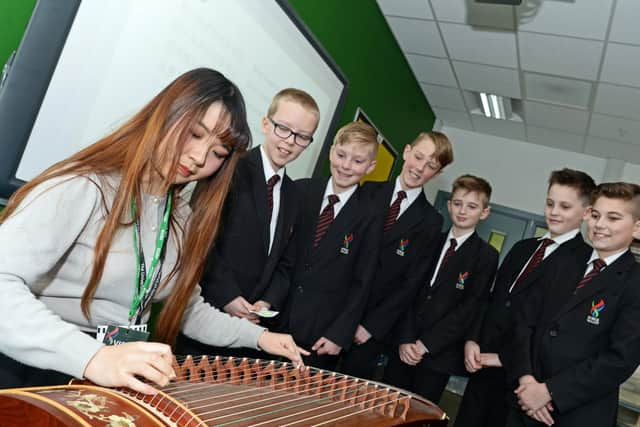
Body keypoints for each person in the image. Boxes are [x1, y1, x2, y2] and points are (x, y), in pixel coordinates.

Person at [0, 68, 307, 395]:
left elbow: (188, 309)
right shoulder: (83, 187)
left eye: (218, 153)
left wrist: (260, 337)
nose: (200, 156)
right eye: (194, 133)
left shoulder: (180, 218)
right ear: (163, 115)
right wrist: (93, 357)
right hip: (37, 367)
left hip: (108, 366)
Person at [177, 88, 319, 357]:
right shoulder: (229, 168)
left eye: (301, 137)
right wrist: (229, 297)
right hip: (206, 317)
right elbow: (200, 238)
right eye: (283, 129)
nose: (289, 142)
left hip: (253, 328)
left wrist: (266, 302)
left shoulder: (294, 193)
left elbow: (286, 263)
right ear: (266, 124)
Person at [455, 168, 595, 427]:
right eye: (550, 203)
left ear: (586, 213)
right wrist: (473, 339)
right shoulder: (523, 248)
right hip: (482, 367)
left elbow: (553, 328)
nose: (554, 212)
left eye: (565, 206)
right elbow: (492, 299)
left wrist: (504, 358)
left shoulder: (583, 262)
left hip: (523, 380)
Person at [506, 182, 640, 427]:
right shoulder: (563, 260)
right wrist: (526, 379)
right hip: (524, 403)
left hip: (579, 414)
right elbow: (525, 321)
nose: (600, 225)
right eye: (596, 215)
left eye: (613, 218)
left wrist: (549, 392)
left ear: (637, 227)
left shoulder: (635, 283)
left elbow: (620, 359)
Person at [338, 131, 453, 379]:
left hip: (370, 330)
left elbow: (411, 284)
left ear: (437, 173)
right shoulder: (367, 191)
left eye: (430, 165)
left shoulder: (431, 222)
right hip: (334, 310)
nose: (420, 168)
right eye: (418, 156)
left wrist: (371, 326)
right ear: (407, 151)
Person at [383, 174, 499, 404]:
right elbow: (408, 289)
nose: (462, 211)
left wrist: (425, 345)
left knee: (419, 415)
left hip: (439, 355)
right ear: (449, 205)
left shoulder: (486, 256)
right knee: (385, 409)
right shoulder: (431, 240)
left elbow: (469, 308)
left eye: (472, 206)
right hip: (403, 345)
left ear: (484, 212)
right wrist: (406, 338)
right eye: (457, 204)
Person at [276, 121, 382, 370]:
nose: (346, 166)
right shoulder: (300, 190)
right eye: (341, 155)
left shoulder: (371, 215)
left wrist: (340, 333)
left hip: (321, 337)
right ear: (331, 151)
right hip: (275, 321)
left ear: (371, 166)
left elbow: (363, 281)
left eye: (357, 161)